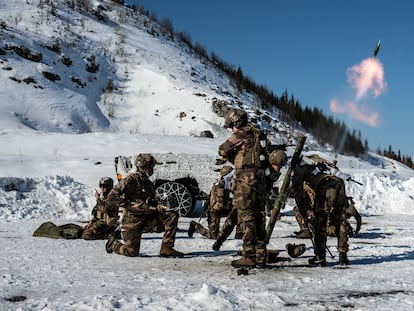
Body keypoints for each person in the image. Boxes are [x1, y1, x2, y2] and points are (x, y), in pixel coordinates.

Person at [105, 153, 184, 258]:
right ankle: (112, 244)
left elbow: (154, 199)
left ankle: (167, 248)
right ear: (145, 167)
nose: (152, 170)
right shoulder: (130, 180)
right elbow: (111, 197)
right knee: (131, 252)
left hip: (147, 218)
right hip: (132, 220)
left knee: (171, 216)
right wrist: (129, 206)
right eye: (151, 167)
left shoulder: (148, 183)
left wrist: (159, 205)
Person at [217, 108, 268, 268]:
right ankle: (261, 255)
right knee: (259, 216)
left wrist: (231, 155)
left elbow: (222, 150)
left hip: (245, 178)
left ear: (236, 122)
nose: (231, 128)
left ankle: (248, 256)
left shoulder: (240, 134)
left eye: (231, 125)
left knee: (246, 216)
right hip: (260, 178)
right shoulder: (258, 134)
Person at [291, 155, 351, 267]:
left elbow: (298, 195)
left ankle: (320, 257)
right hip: (338, 182)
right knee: (339, 218)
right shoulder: (315, 162)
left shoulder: (298, 171)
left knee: (320, 221)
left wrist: (305, 214)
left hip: (325, 185)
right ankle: (343, 256)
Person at [187, 165, 234, 239]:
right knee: (213, 236)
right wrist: (233, 203)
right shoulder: (221, 185)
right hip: (214, 210)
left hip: (218, 209)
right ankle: (195, 225)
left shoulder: (225, 183)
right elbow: (221, 201)